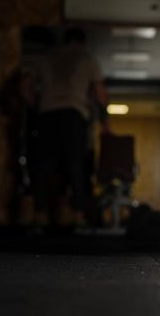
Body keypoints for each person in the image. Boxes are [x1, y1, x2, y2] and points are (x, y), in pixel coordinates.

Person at [31, 27, 110, 228]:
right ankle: (77, 215)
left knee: (44, 165)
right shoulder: (86, 58)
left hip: (47, 114)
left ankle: (38, 215)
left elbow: (25, 86)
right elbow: (100, 94)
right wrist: (105, 124)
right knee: (75, 164)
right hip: (73, 114)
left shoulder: (46, 58)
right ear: (82, 42)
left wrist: (36, 106)